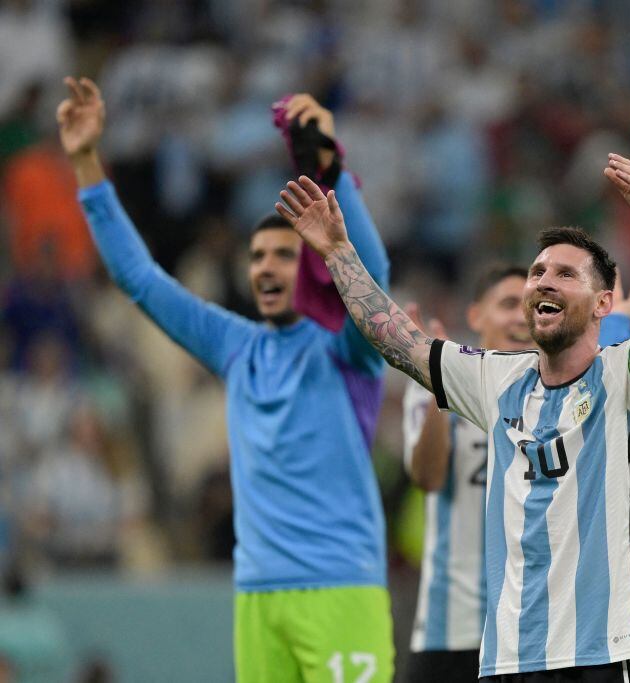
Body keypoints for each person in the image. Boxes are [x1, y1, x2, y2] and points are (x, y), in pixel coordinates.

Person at [275, 152, 630, 682]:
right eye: (538, 272)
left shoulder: (626, 379)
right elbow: (398, 341)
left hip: (603, 651)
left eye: (565, 274)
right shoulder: (498, 379)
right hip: (509, 657)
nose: (543, 281)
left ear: (604, 302)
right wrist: (338, 253)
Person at [58, 77, 395, 683]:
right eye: (257, 256)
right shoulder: (236, 348)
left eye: (284, 254)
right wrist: (86, 160)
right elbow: (140, 279)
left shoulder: (350, 352)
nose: (266, 266)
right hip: (256, 595)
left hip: (342, 587)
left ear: (314, 263)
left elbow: (375, 278)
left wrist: (331, 169)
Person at [403, 268, 630, 683]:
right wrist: (436, 393)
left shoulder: (555, 400)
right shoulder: (450, 386)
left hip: (533, 627)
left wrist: (614, 325)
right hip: (453, 623)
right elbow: (426, 476)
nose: (518, 317)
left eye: (524, 305)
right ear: (476, 316)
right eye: (506, 304)